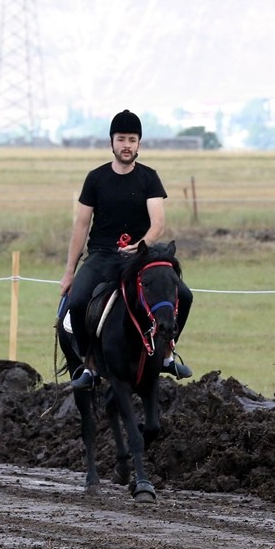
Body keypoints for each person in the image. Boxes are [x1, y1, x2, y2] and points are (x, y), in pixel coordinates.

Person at [59, 109, 193, 390]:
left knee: (184, 295)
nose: (127, 145)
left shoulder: (149, 178)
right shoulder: (95, 179)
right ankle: (89, 364)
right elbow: (81, 226)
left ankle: (167, 353)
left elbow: (158, 223)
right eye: (121, 139)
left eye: (132, 139)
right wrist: (69, 272)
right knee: (78, 301)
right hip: (101, 255)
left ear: (139, 144)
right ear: (112, 142)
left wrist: (141, 245)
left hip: (140, 257)